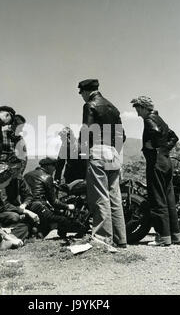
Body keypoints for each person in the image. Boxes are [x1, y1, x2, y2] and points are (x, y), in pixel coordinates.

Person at [78, 79, 127, 248]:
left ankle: (103, 238)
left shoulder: (90, 105)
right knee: (115, 196)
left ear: (85, 91)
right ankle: (120, 239)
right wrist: (115, 151)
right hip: (113, 152)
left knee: (100, 196)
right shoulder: (113, 107)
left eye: (81, 93)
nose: (82, 97)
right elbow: (122, 135)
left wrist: (84, 155)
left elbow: (86, 131)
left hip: (97, 150)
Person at [130, 96, 180, 246]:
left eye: (138, 108)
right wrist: (164, 148)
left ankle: (163, 237)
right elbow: (174, 137)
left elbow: (156, 131)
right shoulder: (161, 119)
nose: (137, 112)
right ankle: (175, 235)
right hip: (166, 162)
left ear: (145, 108)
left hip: (156, 164)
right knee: (169, 200)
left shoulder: (149, 120)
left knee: (158, 199)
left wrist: (154, 145)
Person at [24, 157, 86, 238]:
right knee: (64, 219)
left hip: (27, 206)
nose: (54, 169)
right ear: (48, 166)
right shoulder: (47, 177)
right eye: (54, 166)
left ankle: (39, 232)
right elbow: (54, 202)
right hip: (39, 207)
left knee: (52, 218)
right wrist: (68, 206)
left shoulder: (27, 175)